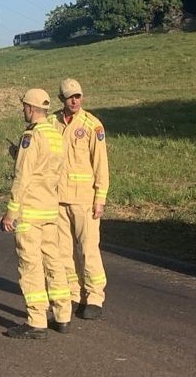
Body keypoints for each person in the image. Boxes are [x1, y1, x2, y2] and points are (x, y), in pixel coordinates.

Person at [0, 88, 72, 339]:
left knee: (30, 266)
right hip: (50, 208)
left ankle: (36, 321)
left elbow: (23, 176)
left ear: (30, 108)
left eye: (24, 107)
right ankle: (63, 315)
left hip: (29, 211)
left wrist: (10, 212)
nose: (23, 111)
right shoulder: (55, 135)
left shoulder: (30, 136)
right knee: (54, 262)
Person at [51, 78, 110, 320]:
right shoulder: (51, 122)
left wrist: (100, 198)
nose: (75, 101)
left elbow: (101, 164)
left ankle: (95, 296)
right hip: (57, 198)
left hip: (85, 199)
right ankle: (73, 292)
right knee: (63, 251)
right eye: (69, 97)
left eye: (78, 96)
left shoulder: (92, 125)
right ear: (61, 99)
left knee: (88, 249)